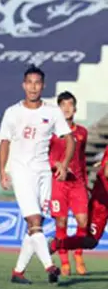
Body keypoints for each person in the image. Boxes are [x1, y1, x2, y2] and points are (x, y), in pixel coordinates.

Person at [0, 66, 72, 285]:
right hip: (21, 170)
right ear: (23, 85)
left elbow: (69, 139)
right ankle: (50, 266)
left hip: (43, 172)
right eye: (29, 82)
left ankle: (18, 272)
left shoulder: (51, 112)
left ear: (43, 85)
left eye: (37, 83)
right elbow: (4, 141)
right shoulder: (13, 112)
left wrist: (65, 164)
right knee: (34, 220)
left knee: (36, 224)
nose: (33, 87)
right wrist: (3, 170)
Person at [48, 91, 88, 276]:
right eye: (63, 104)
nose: (66, 108)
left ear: (75, 108)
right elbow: (44, 156)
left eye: (70, 104)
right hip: (59, 184)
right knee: (61, 222)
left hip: (77, 184)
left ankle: (78, 254)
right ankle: (64, 261)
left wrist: (85, 182)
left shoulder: (82, 132)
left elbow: (81, 158)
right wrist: (55, 165)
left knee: (83, 221)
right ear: (58, 108)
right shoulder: (51, 133)